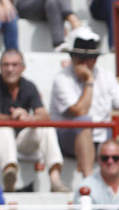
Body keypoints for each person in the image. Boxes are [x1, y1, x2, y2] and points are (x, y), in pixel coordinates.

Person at [49, 27, 119, 180]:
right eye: (79, 57)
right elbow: (80, 112)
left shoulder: (106, 76)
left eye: (89, 58)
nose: (84, 62)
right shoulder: (62, 78)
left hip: (103, 136)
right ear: (72, 57)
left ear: (96, 59)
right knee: (83, 123)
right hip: (69, 139)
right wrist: (89, 82)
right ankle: (88, 181)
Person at [0, 49, 68, 192]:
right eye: (6, 65)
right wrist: (12, 118)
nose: (10, 69)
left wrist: (28, 118)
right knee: (4, 128)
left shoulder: (28, 86)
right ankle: (9, 171)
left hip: (22, 141)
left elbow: (44, 115)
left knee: (45, 127)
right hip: (4, 139)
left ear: (22, 68)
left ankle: (55, 178)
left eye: (14, 65)